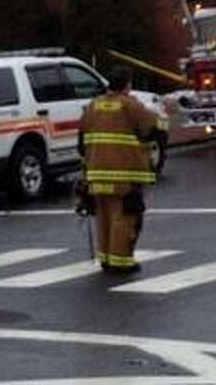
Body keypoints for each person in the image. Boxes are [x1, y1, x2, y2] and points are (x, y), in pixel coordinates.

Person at [78, 65, 164, 274]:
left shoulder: (92, 106)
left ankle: (106, 257)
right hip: (125, 174)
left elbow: (81, 143)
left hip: (96, 173)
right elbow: (152, 130)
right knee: (125, 216)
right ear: (127, 84)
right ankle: (121, 261)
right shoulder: (130, 105)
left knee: (103, 215)